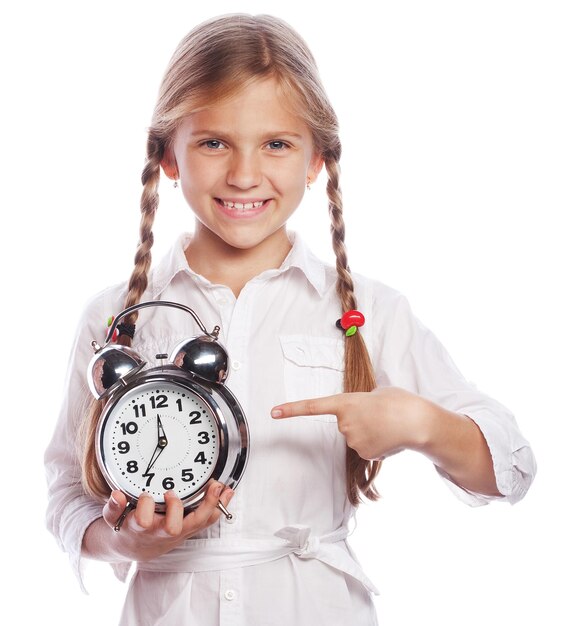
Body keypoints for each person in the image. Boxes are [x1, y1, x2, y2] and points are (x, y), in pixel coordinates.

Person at [44, 13, 536, 626]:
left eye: (276, 144)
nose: (245, 174)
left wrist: (422, 423)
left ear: (316, 160)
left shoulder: (366, 312)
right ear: (169, 156)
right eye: (213, 142)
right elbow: (67, 490)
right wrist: (123, 541)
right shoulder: (116, 318)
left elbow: (511, 468)